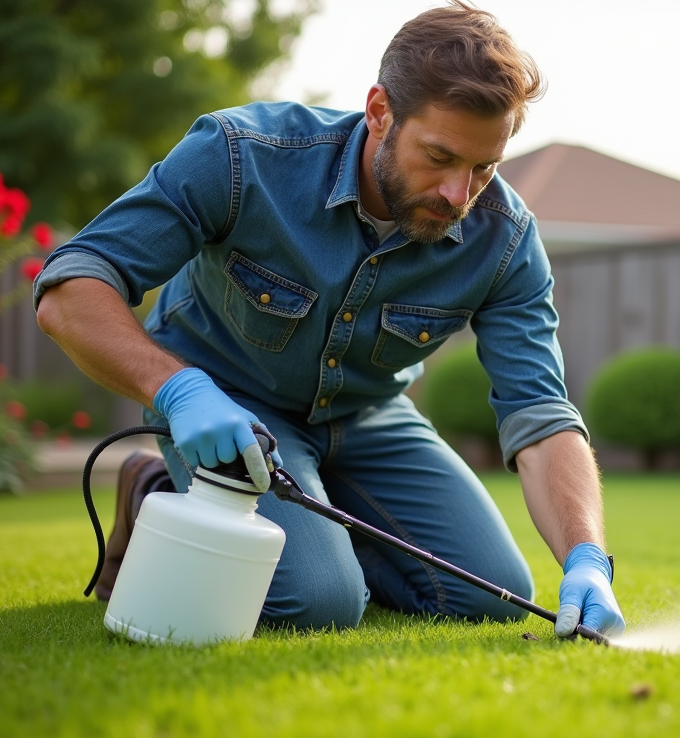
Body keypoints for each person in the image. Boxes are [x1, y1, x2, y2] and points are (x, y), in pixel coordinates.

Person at [35, 1, 624, 639]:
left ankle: (316, 523)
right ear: (379, 112)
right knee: (320, 604)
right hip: (227, 410)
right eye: (439, 156)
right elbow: (70, 289)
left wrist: (587, 557)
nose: (460, 194)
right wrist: (178, 390)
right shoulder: (241, 157)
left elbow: (538, 413)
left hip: (368, 417)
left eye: (484, 167)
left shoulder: (505, 241)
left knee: (500, 596)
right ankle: (155, 485)